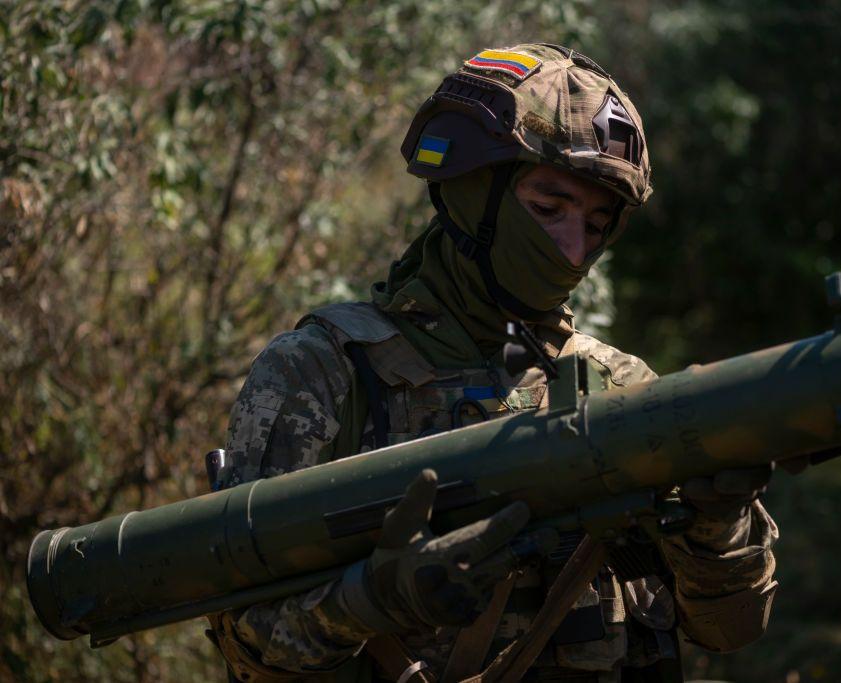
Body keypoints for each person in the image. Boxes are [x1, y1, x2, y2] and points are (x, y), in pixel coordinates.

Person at [207, 43, 779, 683]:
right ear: (473, 193)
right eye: (547, 209)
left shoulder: (619, 385)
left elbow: (731, 630)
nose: (572, 251)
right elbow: (248, 648)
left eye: (596, 223)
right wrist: (370, 600)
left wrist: (718, 524)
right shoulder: (325, 374)